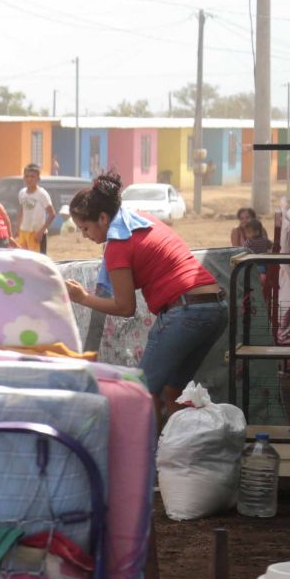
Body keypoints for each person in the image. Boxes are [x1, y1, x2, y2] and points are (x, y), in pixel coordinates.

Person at [62, 173, 227, 419]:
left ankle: (142, 456)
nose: (85, 235)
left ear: (103, 218)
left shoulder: (118, 244)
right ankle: (176, 451)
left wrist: (82, 297)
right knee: (172, 391)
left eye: (85, 228)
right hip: (215, 307)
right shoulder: (141, 219)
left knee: (140, 392)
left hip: (186, 312)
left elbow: (125, 307)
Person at [15, 164, 55, 254]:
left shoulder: (42, 194)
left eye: (32, 176)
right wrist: (17, 228)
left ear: (38, 179)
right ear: (24, 178)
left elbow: (52, 214)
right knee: (23, 259)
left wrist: (41, 231)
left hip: (36, 234)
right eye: (27, 176)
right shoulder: (22, 193)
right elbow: (21, 210)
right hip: (24, 232)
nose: (29, 179)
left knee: (38, 261)